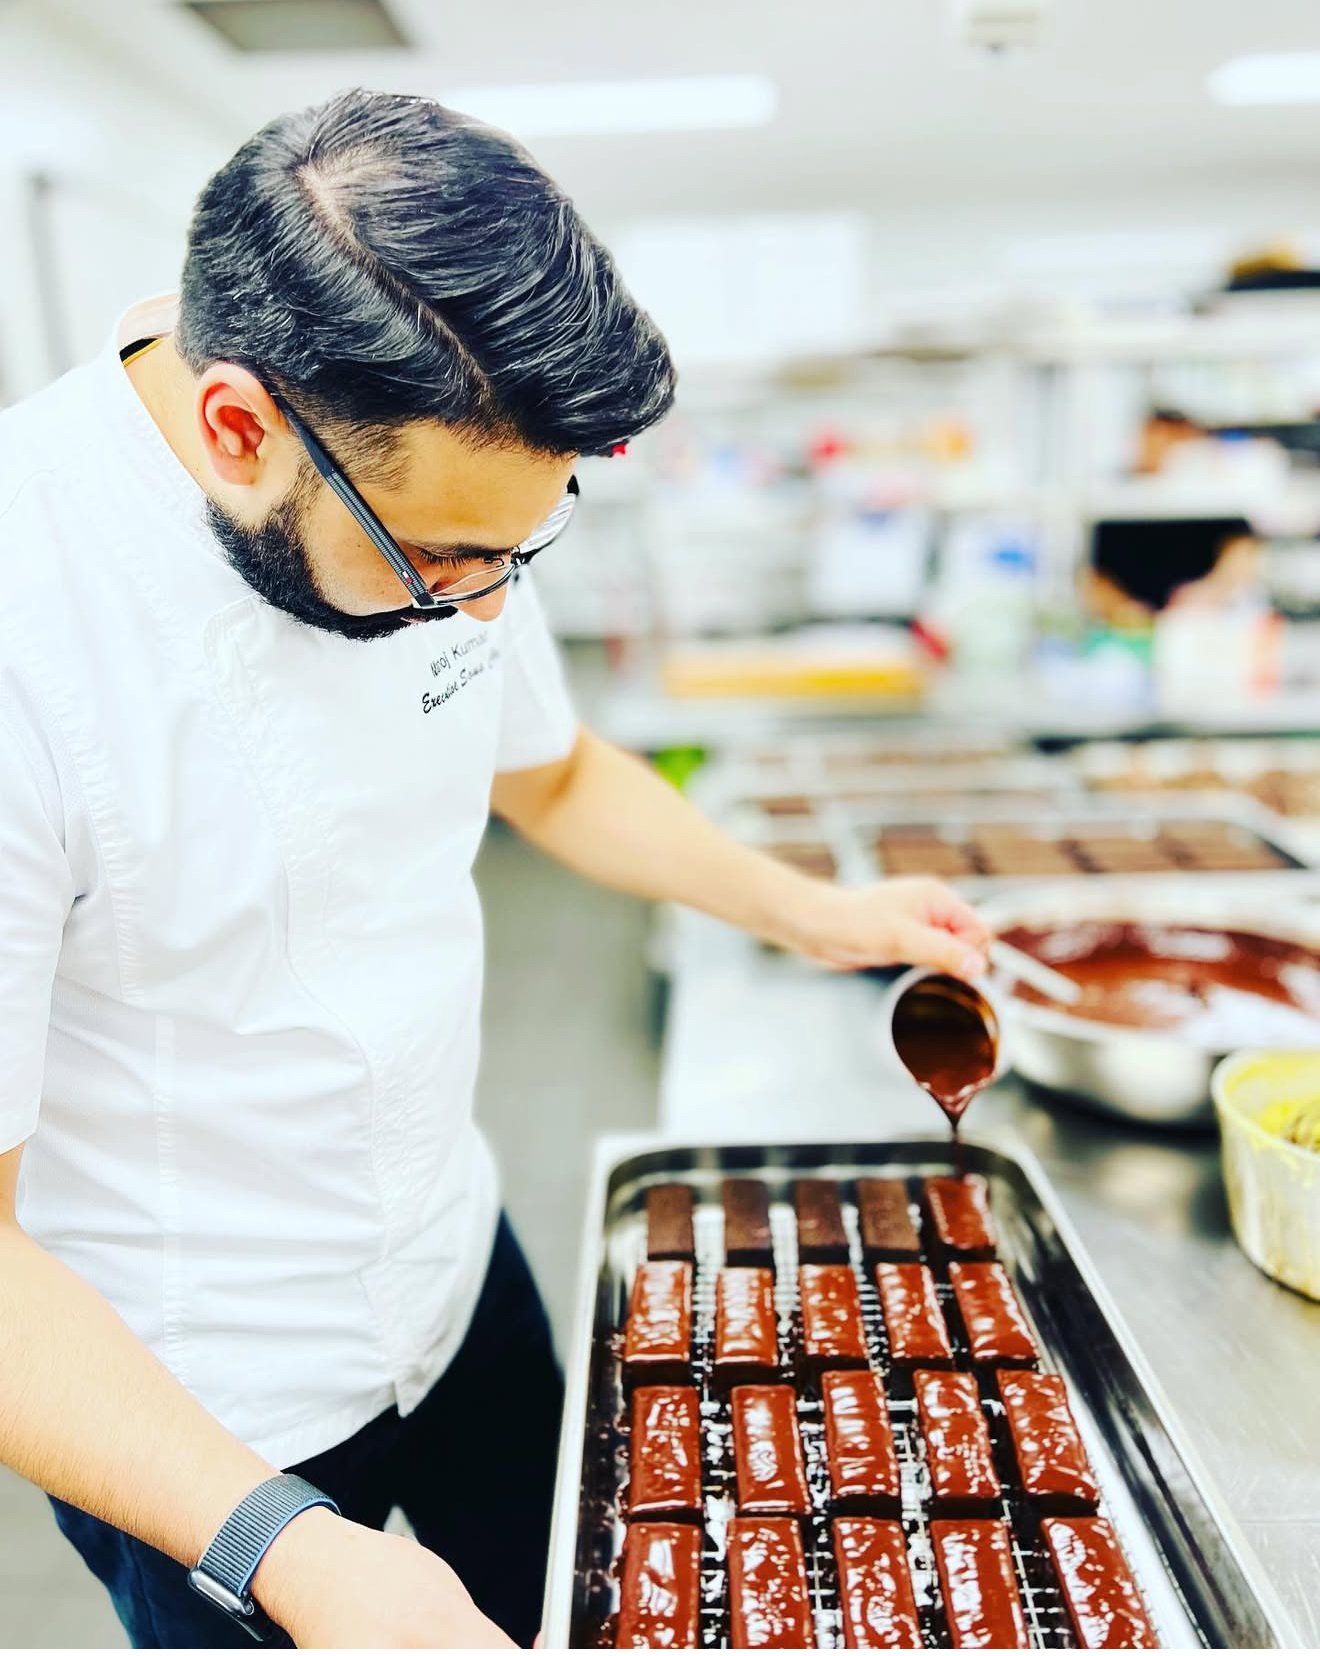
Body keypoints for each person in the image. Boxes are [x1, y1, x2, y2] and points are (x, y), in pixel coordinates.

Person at [0, 90, 991, 1650]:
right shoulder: (28, 624)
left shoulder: (430, 486)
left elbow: (556, 771)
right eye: (441, 564)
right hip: (202, 1398)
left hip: (454, 1263)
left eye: (516, 554)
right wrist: (297, 1555)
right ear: (239, 427)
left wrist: (818, 912)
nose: (479, 613)